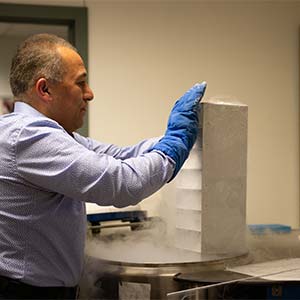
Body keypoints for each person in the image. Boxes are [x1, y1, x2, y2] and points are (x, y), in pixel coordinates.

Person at [0, 33, 206, 299]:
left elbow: (122, 156)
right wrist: (174, 145)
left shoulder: (50, 135)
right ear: (45, 89)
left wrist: (177, 137)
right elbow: (122, 184)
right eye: (81, 83)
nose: (90, 94)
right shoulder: (28, 137)